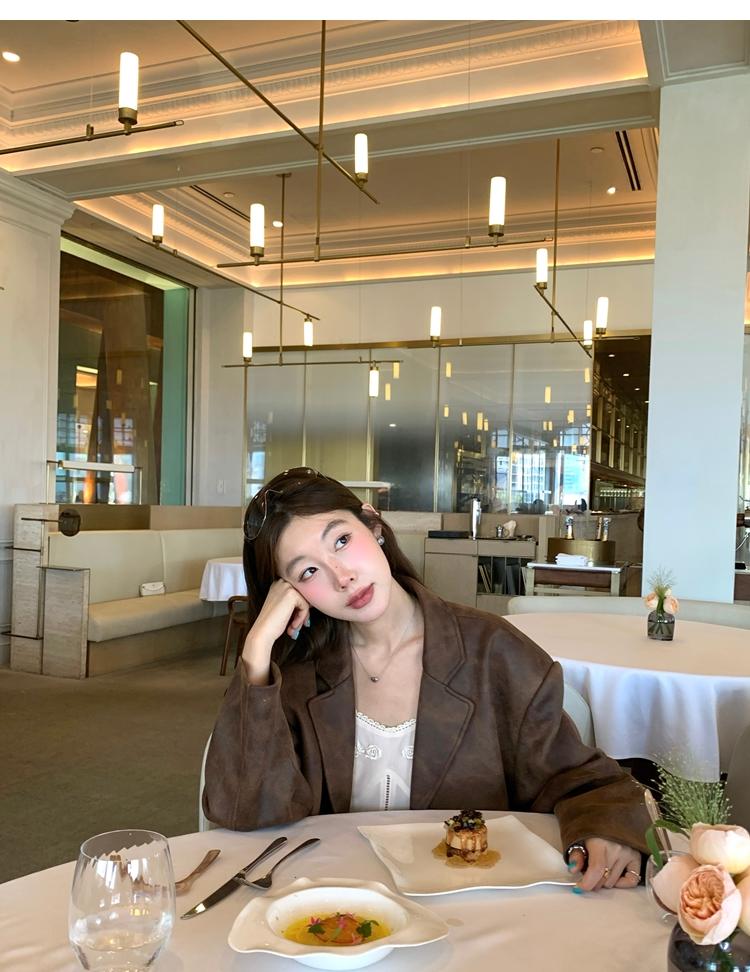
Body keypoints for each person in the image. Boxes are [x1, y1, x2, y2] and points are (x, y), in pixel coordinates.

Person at [203, 468, 650, 892]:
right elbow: (244, 812)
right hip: (339, 907)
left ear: (373, 525)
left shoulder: (496, 653)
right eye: (308, 571)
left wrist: (605, 827)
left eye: (341, 540)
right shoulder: (294, 677)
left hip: (471, 906)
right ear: (289, 593)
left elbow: (582, 780)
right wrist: (256, 655)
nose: (343, 577)